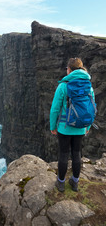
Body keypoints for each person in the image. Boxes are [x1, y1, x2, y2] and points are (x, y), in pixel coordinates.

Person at [50, 58, 95, 192]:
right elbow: (90, 109)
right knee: (77, 154)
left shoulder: (63, 85)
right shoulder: (88, 85)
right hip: (81, 127)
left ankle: (61, 183)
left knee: (64, 154)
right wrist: (87, 127)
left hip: (64, 127)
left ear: (69, 69)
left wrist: (53, 126)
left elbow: (55, 109)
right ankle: (75, 182)